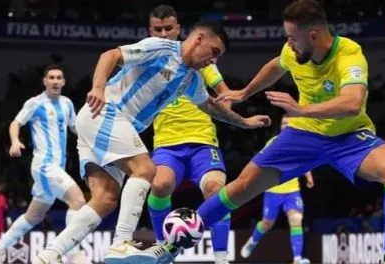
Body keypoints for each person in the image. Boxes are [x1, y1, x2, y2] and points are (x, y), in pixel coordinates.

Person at [141, 1, 385, 264]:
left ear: (313, 35)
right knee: (241, 187)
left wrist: (302, 110)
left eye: (292, 37)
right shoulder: (294, 52)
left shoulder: (349, 54)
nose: (289, 43)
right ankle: (169, 247)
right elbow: (276, 66)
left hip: (350, 136)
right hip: (304, 136)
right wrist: (245, 92)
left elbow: (352, 103)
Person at [35, 20, 270, 264]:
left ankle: (48, 255)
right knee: (146, 169)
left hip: (107, 125)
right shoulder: (162, 49)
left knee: (105, 199)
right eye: (214, 52)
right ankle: (120, 245)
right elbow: (111, 55)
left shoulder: (191, 80)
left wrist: (244, 122)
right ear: (199, 39)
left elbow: (211, 106)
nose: (213, 60)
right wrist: (97, 88)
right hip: (106, 112)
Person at [146, 5, 232, 264]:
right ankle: (164, 251)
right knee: (160, 185)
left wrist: (224, 105)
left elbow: (224, 93)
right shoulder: (145, 60)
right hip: (167, 144)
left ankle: (221, 258)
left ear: (178, 29)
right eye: (157, 29)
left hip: (203, 142)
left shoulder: (199, 57)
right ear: (150, 31)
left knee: (216, 189)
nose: (163, 34)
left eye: (168, 28)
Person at [0, 64, 88, 264]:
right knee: (78, 201)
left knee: (34, 215)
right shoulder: (35, 103)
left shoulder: (67, 103)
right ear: (45, 81)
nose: (55, 81)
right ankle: (72, 254)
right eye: (51, 77)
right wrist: (15, 141)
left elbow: (76, 128)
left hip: (57, 166)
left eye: (59, 78)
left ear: (64, 82)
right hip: (44, 165)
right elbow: (16, 123)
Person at [240, 115, 312, 264]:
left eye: (288, 124)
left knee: (296, 220)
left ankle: (297, 258)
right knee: (266, 224)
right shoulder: (272, 143)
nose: (285, 126)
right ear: (280, 126)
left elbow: (304, 160)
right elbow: (260, 162)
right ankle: (253, 240)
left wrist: (309, 176)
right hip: (273, 191)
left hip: (292, 191)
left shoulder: (300, 143)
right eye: (283, 123)